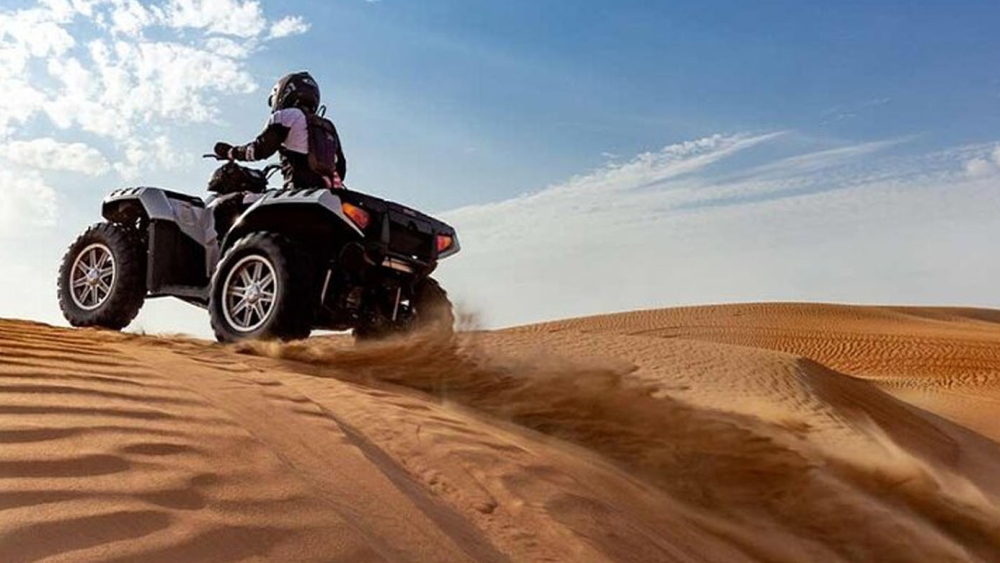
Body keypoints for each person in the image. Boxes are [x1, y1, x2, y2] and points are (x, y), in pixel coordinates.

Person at [214, 71, 346, 190]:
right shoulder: (328, 126)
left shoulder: (287, 115)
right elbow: (341, 167)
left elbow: (259, 149)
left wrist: (231, 152)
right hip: (326, 194)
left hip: (297, 192)